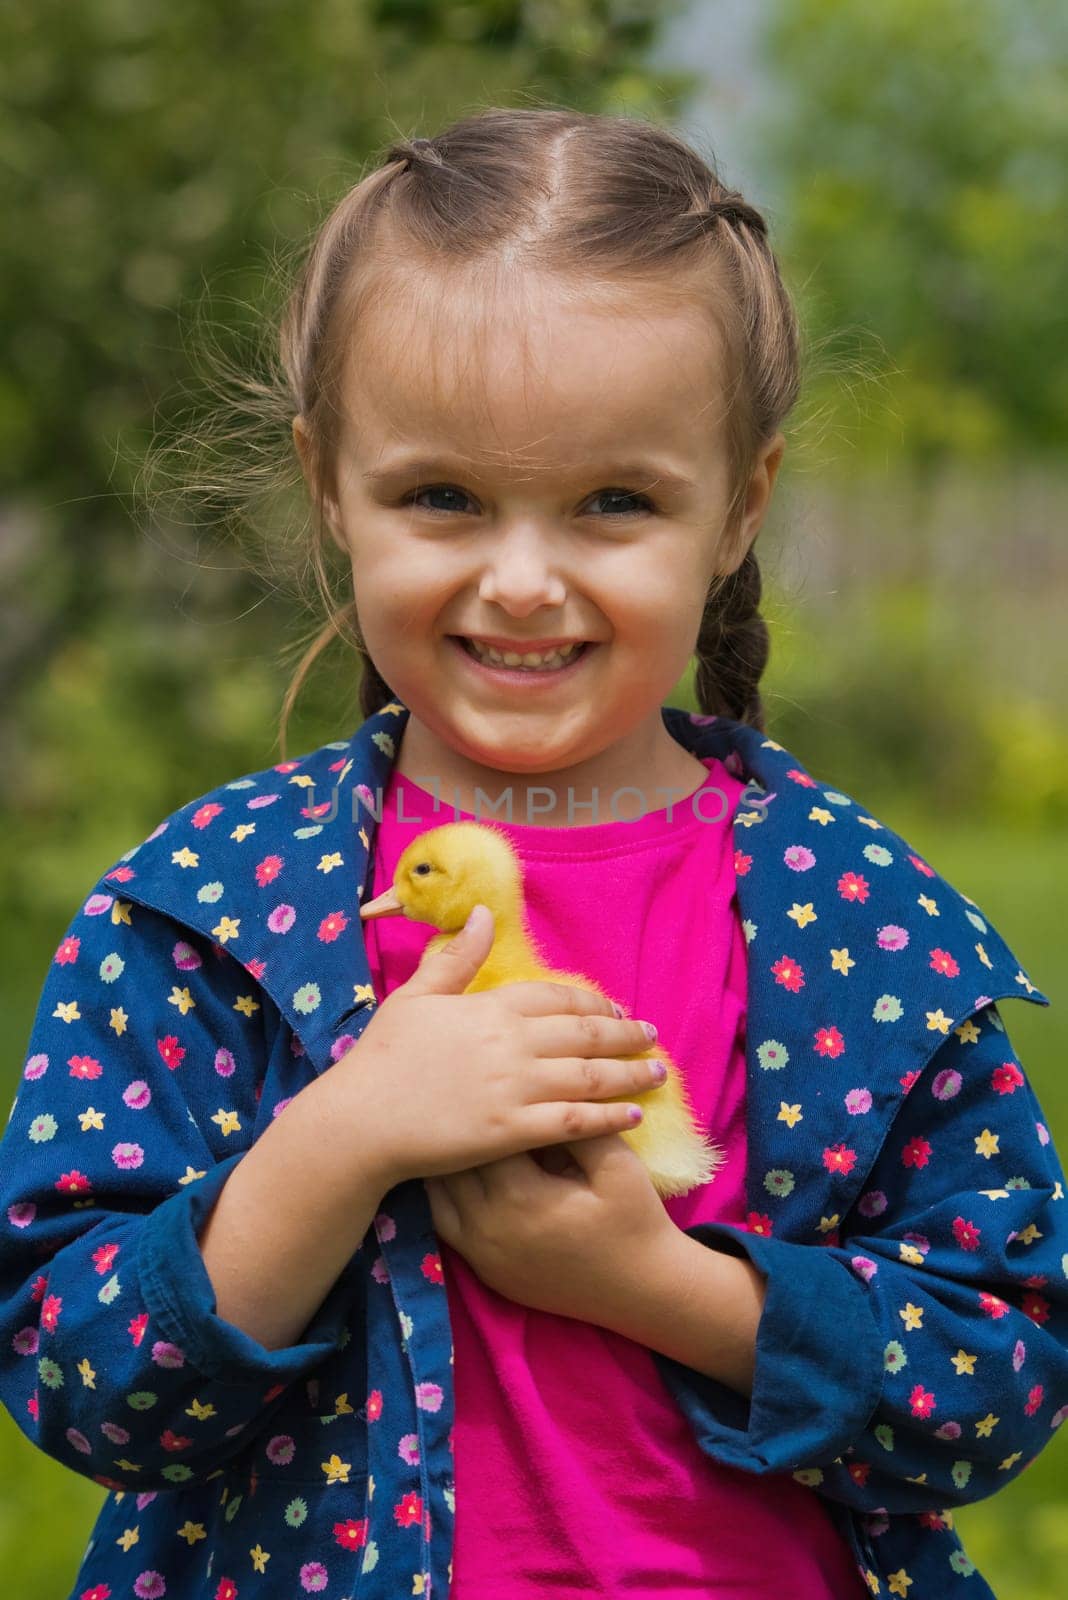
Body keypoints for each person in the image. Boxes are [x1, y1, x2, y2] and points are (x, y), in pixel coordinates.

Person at [1, 106, 1065, 1600]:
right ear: (329, 484)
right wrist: (340, 1137)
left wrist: (656, 1287)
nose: (518, 580)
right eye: (442, 496)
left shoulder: (858, 920)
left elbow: (998, 1374)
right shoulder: (210, 909)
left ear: (738, 507)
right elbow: (80, 1378)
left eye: (613, 502)